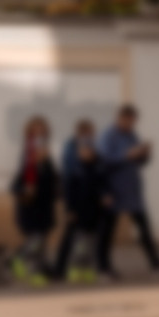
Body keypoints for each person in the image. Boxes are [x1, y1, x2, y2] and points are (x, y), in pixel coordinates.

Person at [96, 103, 159, 275]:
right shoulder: (108, 136)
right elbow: (103, 160)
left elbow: (139, 162)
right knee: (107, 231)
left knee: (144, 228)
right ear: (120, 118)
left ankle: (156, 264)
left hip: (132, 192)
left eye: (133, 121)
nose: (130, 124)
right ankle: (103, 267)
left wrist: (144, 154)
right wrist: (126, 155)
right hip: (113, 190)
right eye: (128, 121)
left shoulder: (132, 135)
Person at [52, 120, 111, 285]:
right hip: (78, 207)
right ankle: (60, 269)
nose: (87, 151)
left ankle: (90, 268)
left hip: (94, 208)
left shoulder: (97, 161)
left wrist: (105, 194)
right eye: (87, 133)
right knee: (71, 238)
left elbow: (102, 180)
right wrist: (69, 209)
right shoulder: (72, 157)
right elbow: (69, 186)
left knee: (91, 240)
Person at [8, 118, 58, 287]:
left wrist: (45, 161)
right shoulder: (28, 155)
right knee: (35, 241)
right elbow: (20, 181)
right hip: (31, 207)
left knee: (41, 242)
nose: (40, 133)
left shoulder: (45, 154)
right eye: (36, 130)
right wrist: (27, 186)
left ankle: (32, 268)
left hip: (44, 206)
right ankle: (26, 266)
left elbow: (51, 178)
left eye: (42, 130)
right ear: (30, 132)